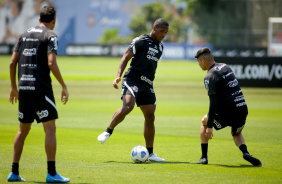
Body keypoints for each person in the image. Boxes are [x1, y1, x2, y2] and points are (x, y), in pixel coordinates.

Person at [8, 6, 70, 182]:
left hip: (23, 89)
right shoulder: (50, 35)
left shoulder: (23, 35)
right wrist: (64, 85)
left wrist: (13, 87)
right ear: (54, 20)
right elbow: (51, 63)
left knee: (23, 129)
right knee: (50, 127)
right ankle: (51, 174)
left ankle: (14, 172)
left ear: (39, 19)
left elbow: (13, 62)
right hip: (40, 88)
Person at [97, 18, 169, 162]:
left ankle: (150, 154)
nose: (163, 35)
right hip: (133, 79)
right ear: (154, 28)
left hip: (147, 84)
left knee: (150, 116)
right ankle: (108, 131)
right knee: (128, 106)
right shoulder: (140, 41)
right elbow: (125, 57)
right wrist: (118, 76)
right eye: (161, 31)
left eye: (166, 32)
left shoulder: (160, 47)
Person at [194, 47, 262, 166]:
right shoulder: (226, 66)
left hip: (226, 110)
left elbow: (213, 102)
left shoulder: (209, 77)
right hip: (242, 107)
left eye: (199, 62)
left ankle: (203, 157)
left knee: (204, 122)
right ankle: (245, 152)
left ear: (203, 61)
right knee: (236, 133)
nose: (199, 65)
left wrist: (209, 126)